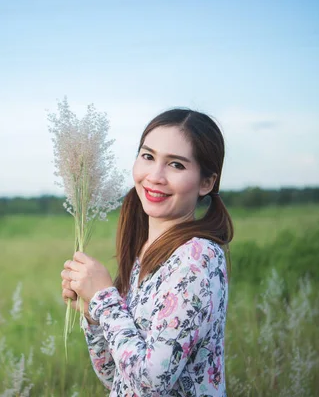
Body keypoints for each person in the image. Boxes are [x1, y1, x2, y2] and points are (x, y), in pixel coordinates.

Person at [61, 108, 234, 396]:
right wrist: (93, 313)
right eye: (148, 156)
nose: (155, 176)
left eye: (176, 165)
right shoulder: (146, 252)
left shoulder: (197, 258)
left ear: (206, 182)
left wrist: (104, 299)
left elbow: (151, 383)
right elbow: (116, 376)